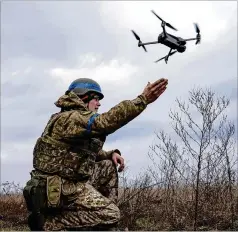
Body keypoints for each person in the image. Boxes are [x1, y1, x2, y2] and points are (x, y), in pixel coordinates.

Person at [23, 77, 168, 231]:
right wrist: (143, 99)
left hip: (69, 183)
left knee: (107, 167)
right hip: (58, 189)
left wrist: (109, 154)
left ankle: (101, 224)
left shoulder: (73, 120)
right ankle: (51, 223)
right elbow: (104, 122)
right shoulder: (69, 119)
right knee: (112, 214)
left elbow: (79, 154)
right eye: (96, 99)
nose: (99, 104)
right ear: (84, 98)